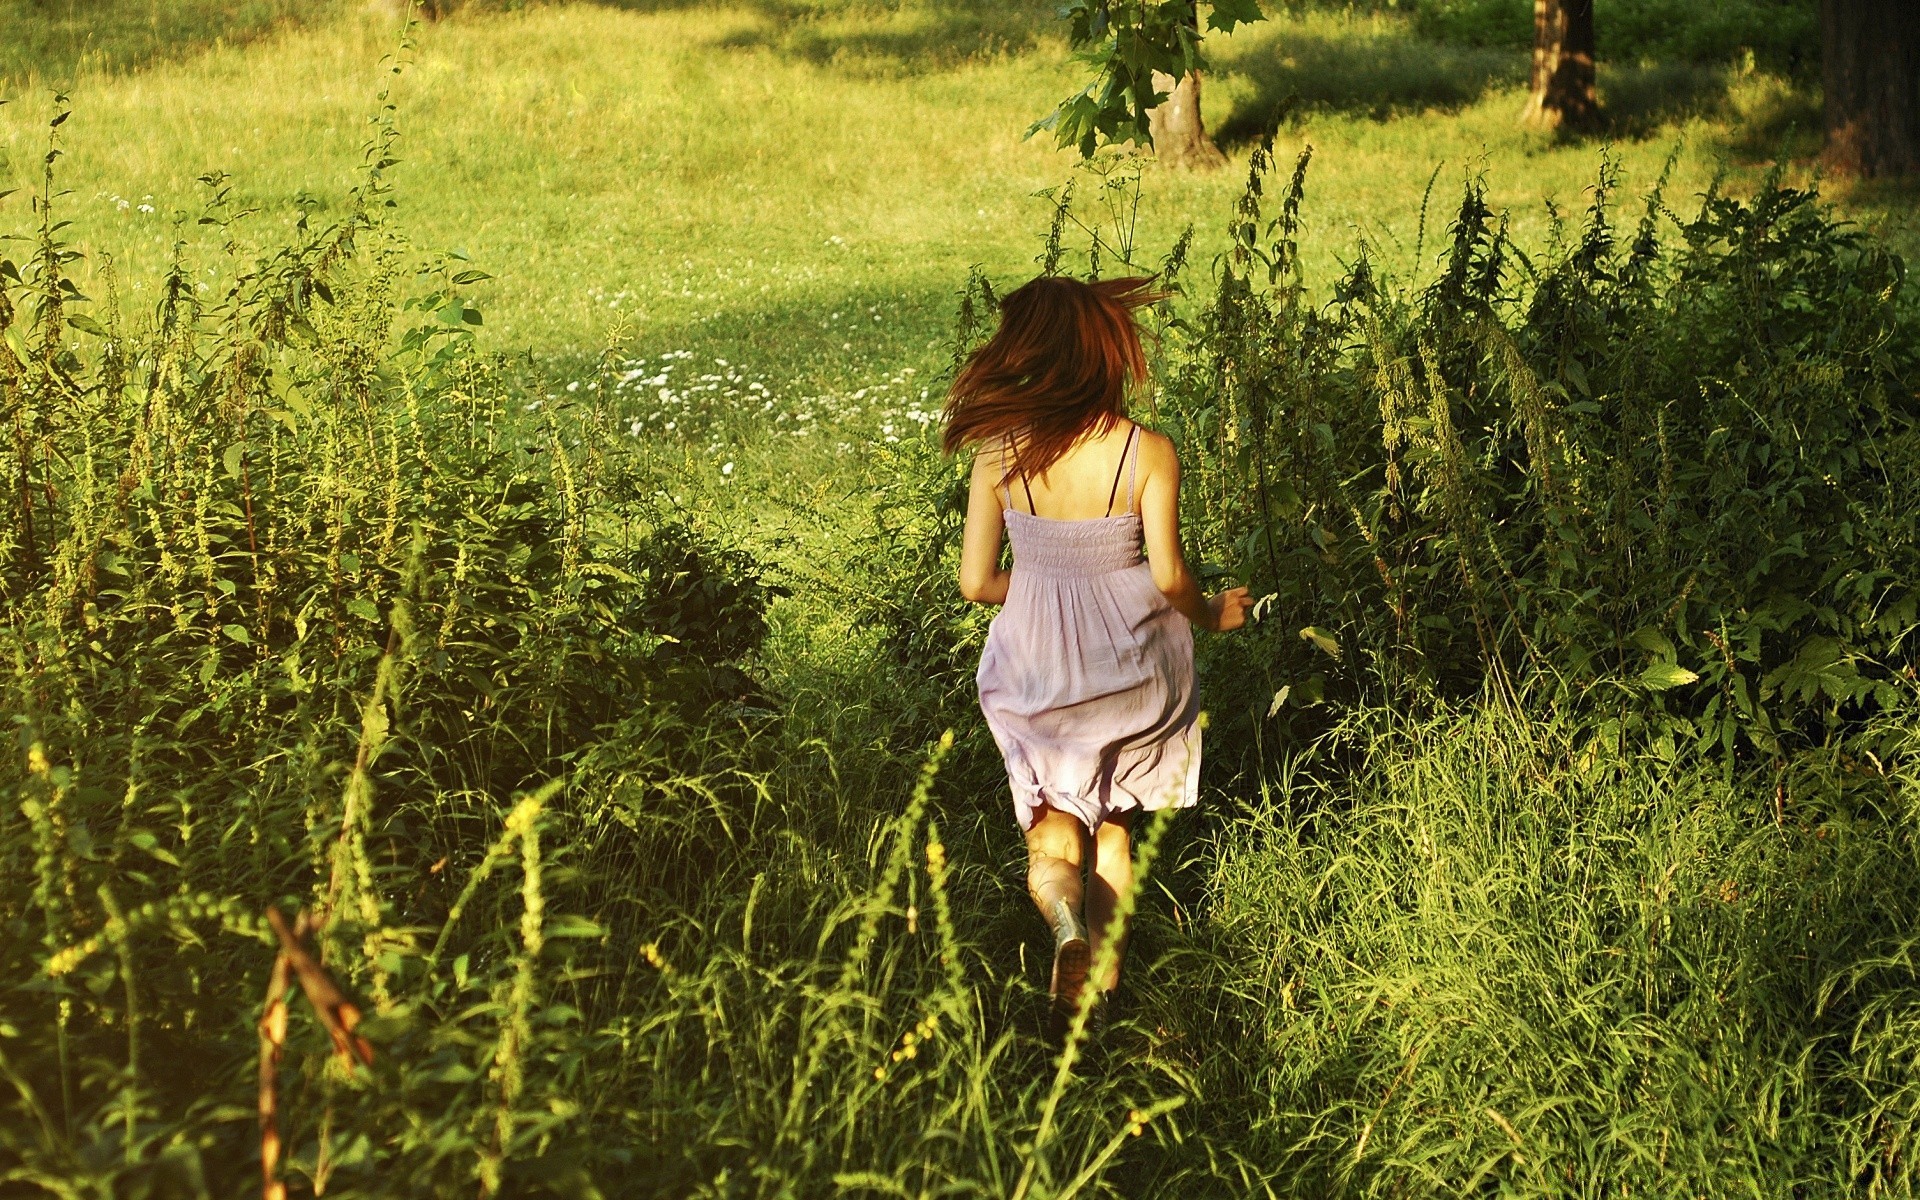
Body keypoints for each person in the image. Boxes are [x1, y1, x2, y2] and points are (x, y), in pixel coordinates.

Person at [943, 274, 1252, 1033]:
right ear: (1098, 357)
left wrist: (1045, 578)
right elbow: (1172, 576)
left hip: (1040, 667)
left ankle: (1065, 930)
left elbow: (976, 582)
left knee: (1055, 826)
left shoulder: (998, 454)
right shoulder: (1146, 451)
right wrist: (1214, 615)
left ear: (1029, 357)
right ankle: (1104, 1005)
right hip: (1131, 669)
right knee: (1114, 827)